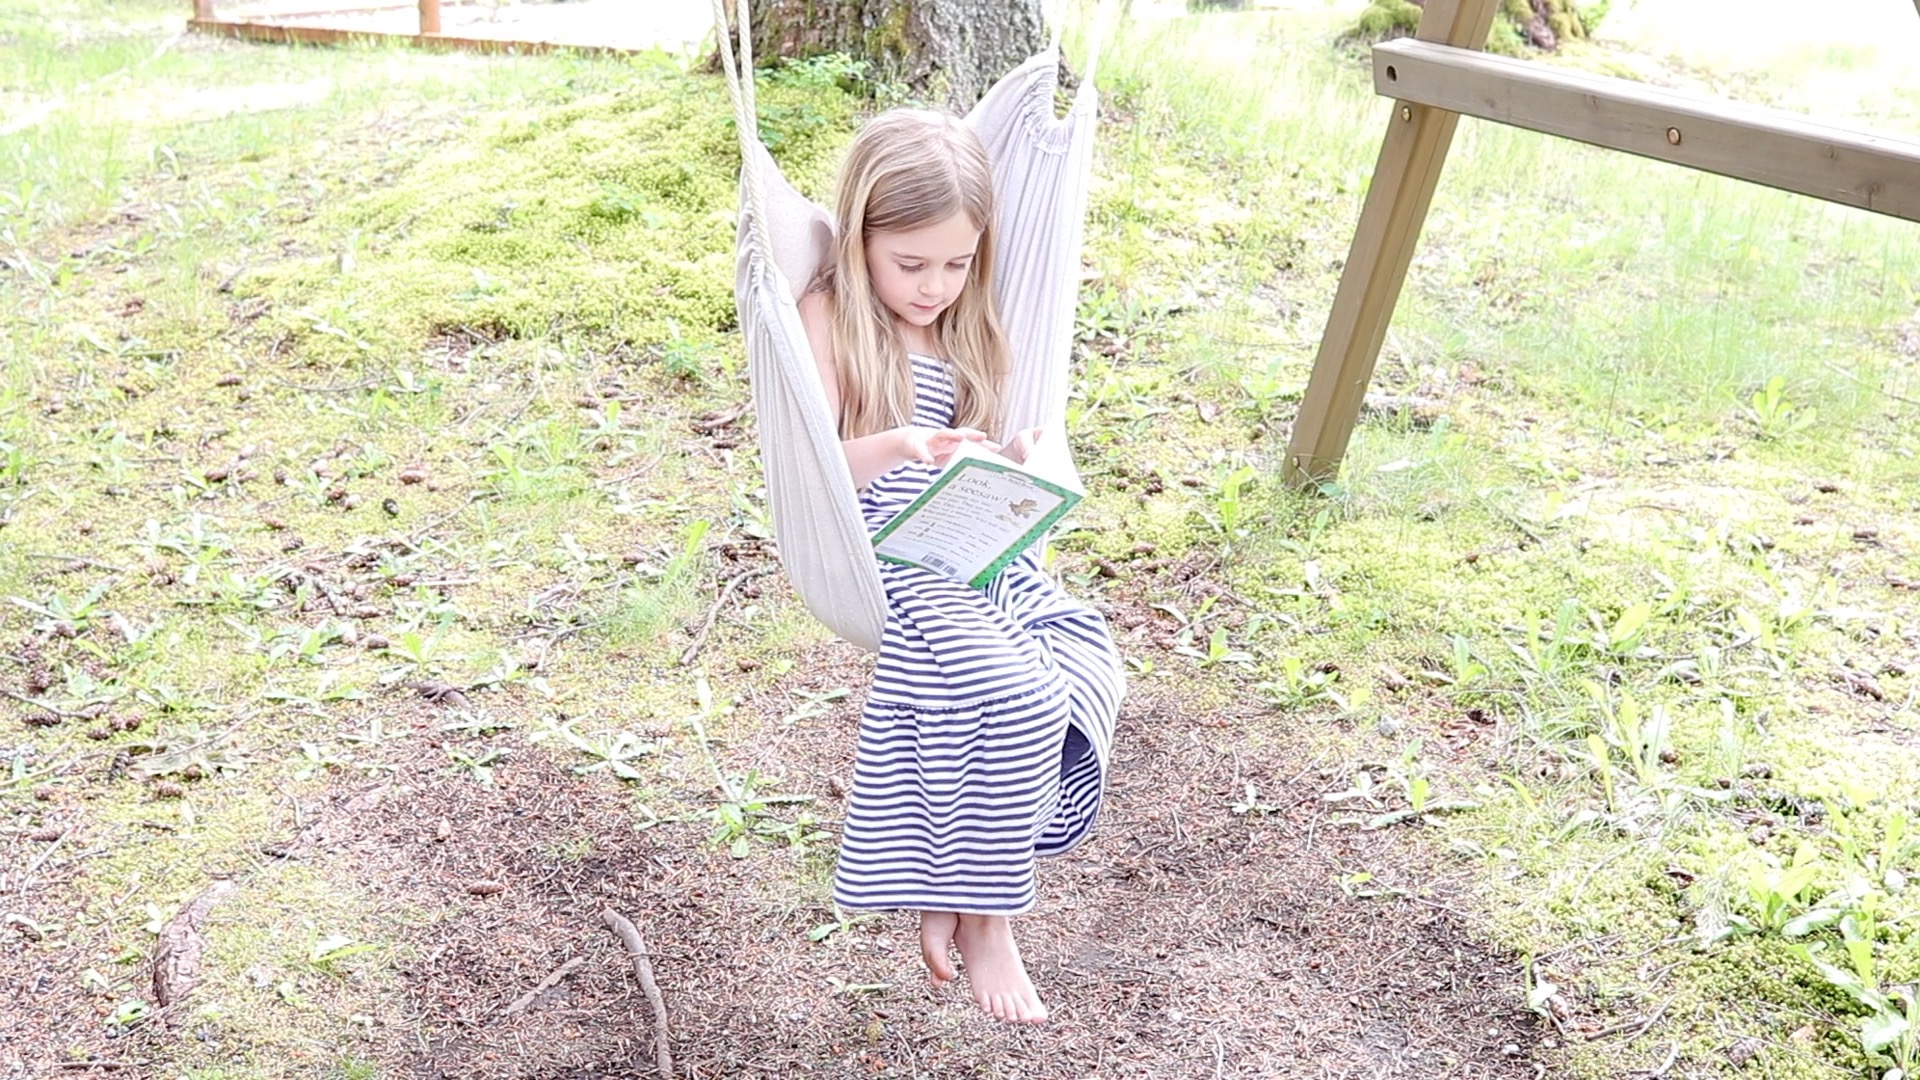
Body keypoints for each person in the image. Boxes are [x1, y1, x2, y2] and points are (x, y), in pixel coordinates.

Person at [797, 108, 1125, 1025]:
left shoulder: (965, 326)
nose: (936, 284)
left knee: (1084, 665)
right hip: (890, 556)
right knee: (1015, 694)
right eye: (911, 264)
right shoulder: (828, 316)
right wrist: (900, 444)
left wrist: (1013, 464)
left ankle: (949, 878)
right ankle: (989, 915)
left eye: (957, 262)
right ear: (860, 234)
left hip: (972, 546)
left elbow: (975, 439)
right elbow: (815, 467)